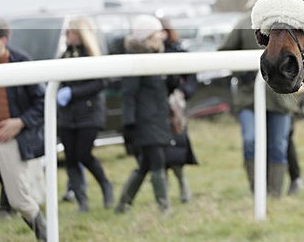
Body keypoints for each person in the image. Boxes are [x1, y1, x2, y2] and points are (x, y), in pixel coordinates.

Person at [218, 13, 301, 198]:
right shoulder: (244, 23)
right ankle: (257, 192)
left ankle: (274, 194)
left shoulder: (290, 21)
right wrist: (240, 71)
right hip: (249, 98)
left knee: (278, 145)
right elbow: (223, 52)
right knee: (250, 141)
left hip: (280, 98)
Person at [0, 19, 46, 241]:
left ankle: (46, 235)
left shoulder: (21, 62)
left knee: (20, 200)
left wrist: (20, 122)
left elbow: (42, 102)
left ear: (4, 40)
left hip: (10, 142)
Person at [115, 14, 173, 214]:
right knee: (157, 161)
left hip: (156, 119)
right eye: (158, 32)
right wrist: (128, 124)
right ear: (148, 36)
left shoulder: (155, 57)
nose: (162, 36)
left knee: (145, 165)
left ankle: (123, 204)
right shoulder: (137, 60)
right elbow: (128, 94)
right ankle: (164, 207)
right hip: (144, 121)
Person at [56, 17, 114, 212]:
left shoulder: (92, 56)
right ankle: (82, 201)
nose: (66, 36)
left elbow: (100, 83)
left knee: (84, 154)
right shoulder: (65, 55)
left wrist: (73, 93)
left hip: (88, 113)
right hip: (67, 115)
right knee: (70, 158)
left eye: (70, 32)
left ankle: (106, 185)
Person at [160, 18, 199, 204]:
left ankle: (182, 184)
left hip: (175, 108)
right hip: (157, 108)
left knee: (176, 148)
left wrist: (184, 92)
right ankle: (164, 191)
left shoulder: (177, 50)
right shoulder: (150, 52)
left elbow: (191, 76)